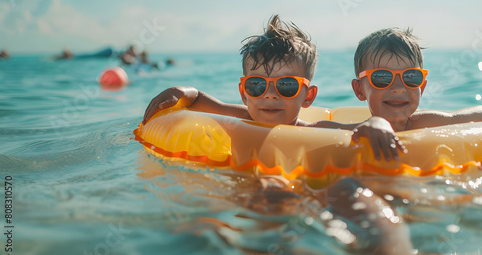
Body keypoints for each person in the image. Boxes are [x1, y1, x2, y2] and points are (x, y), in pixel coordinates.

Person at [144, 15, 406, 161]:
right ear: (244, 93)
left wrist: (379, 124)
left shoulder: (313, 131)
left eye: (287, 85)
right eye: (257, 85)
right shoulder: (239, 118)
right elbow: (199, 99)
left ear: (308, 96)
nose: (270, 94)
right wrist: (183, 90)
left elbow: (360, 130)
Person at [351, 28, 482, 132]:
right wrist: (374, 123)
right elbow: (327, 127)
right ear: (359, 90)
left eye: (411, 77)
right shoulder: (356, 131)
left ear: (421, 88)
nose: (399, 87)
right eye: (382, 77)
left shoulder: (428, 123)